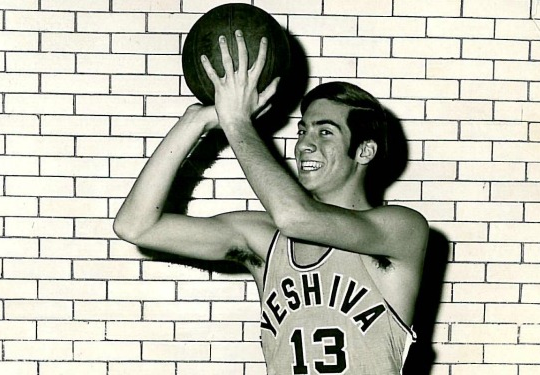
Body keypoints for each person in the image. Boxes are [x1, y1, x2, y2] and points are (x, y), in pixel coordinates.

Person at [113, 30, 428, 374]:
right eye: (303, 131)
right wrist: (196, 119)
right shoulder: (266, 239)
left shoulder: (400, 230)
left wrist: (236, 121)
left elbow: (296, 218)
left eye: (325, 132)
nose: (305, 144)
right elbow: (135, 226)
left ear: (365, 151)